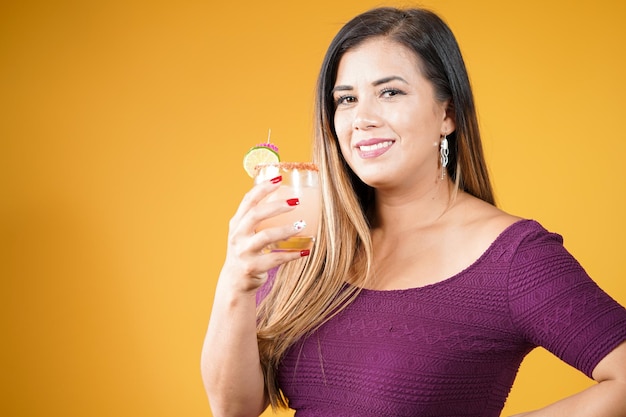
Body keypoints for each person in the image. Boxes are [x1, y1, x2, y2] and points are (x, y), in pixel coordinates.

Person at [201, 7, 626, 417]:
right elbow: (234, 409)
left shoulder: (514, 258)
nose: (361, 119)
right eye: (346, 99)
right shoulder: (310, 239)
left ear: (448, 114)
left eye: (390, 92)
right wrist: (236, 282)